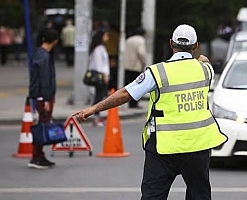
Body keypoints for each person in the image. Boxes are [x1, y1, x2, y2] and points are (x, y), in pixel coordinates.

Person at [73, 24, 228, 200]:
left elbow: (125, 94)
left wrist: (94, 108)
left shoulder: (157, 72)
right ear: (195, 45)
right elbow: (205, 62)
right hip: (198, 145)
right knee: (199, 195)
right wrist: (202, 60)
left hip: (164, 147)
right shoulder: (206, 70)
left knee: (153, 196)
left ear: (171, 43)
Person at [28, 29, 59, 169]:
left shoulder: (39, 53)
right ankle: (36, 157)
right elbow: (45, 79)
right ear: (55, 41)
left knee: (42, 123)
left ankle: (39, 155)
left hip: (39, 95)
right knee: (42, 125)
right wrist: (47, 99)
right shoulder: (44, 57)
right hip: (43, 96)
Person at [88, 30, 110, 127]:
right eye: (105, 35)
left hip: (103, 75)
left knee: (100, 96)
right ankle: (96, 117)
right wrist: (104, 75)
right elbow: (99, 64)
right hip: (100, 76)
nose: (107, 38)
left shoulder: (101, 48)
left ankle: (97, 116)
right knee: (98, 96)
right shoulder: (98, 49)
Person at [123, 27, 147, 109]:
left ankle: (129, 103)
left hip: (127, 65)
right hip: (136, 66)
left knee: (129, 85)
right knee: (137, 85)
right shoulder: (141, 40)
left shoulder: (128, 40)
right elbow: (141, 52)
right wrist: (144, 62)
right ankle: (134, 103)